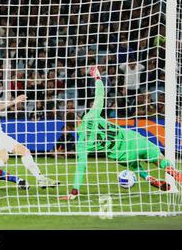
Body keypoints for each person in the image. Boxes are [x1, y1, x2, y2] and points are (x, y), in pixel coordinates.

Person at [62, 66, 182, 200]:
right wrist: (97, 78)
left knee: (133, 165)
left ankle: (148, 177)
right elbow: (100, 95)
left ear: (71, 129)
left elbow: (81, 167)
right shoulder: (91, 116)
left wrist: (74, 191)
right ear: (78, 117)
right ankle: (173, 172)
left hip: (123, 155)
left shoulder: (82, 143)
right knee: (159, 159)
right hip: (134, 140)